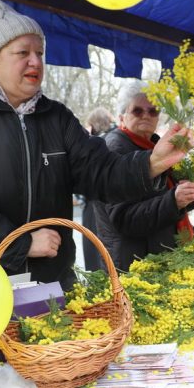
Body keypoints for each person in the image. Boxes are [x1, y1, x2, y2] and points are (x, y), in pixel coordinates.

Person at [0, 0, 192, 290]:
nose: (36, 61)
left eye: (40, 52)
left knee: (49, 336)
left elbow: (101, 174)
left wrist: (153, 162)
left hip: (48, 283)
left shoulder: (57, 118)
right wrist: (21, 242)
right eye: (23, 52)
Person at [92, 80, 194, 271]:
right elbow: (124, 219)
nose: (146, 115)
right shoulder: (113, 150)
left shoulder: (156, 144)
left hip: (162, 254)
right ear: (122, 115)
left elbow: (172, 194)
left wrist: (191, 192)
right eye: (137, 110)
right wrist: (173, 201)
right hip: (134, 264)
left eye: (153, 111)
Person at [78, 107, 117, 270]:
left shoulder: (93, 145)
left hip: (95, 207)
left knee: (95, 256)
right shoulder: (118, 138)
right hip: (115, 207)